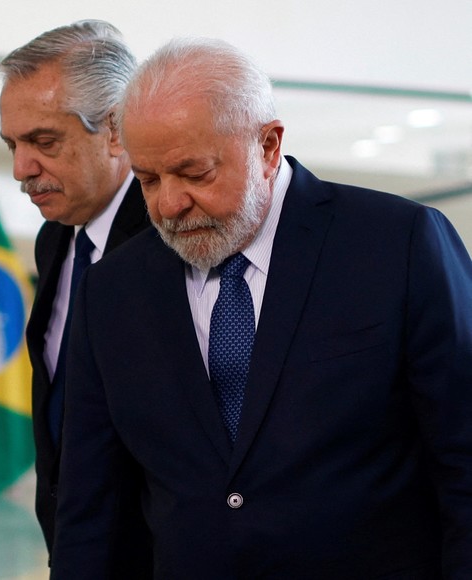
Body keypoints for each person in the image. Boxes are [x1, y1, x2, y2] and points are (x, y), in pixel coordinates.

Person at [51, 37, 472, 578]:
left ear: (268, 147)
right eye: (148, 180)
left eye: (195, 173)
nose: (169, 204)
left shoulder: (397, 245)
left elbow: (464, 460)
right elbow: (91, 510)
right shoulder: (112, 290)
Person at [0, 20, 153, 574]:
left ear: (116, 129)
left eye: (44, 142)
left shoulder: (173, 242)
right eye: (12, 145)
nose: (21, 169)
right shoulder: (55, 240)